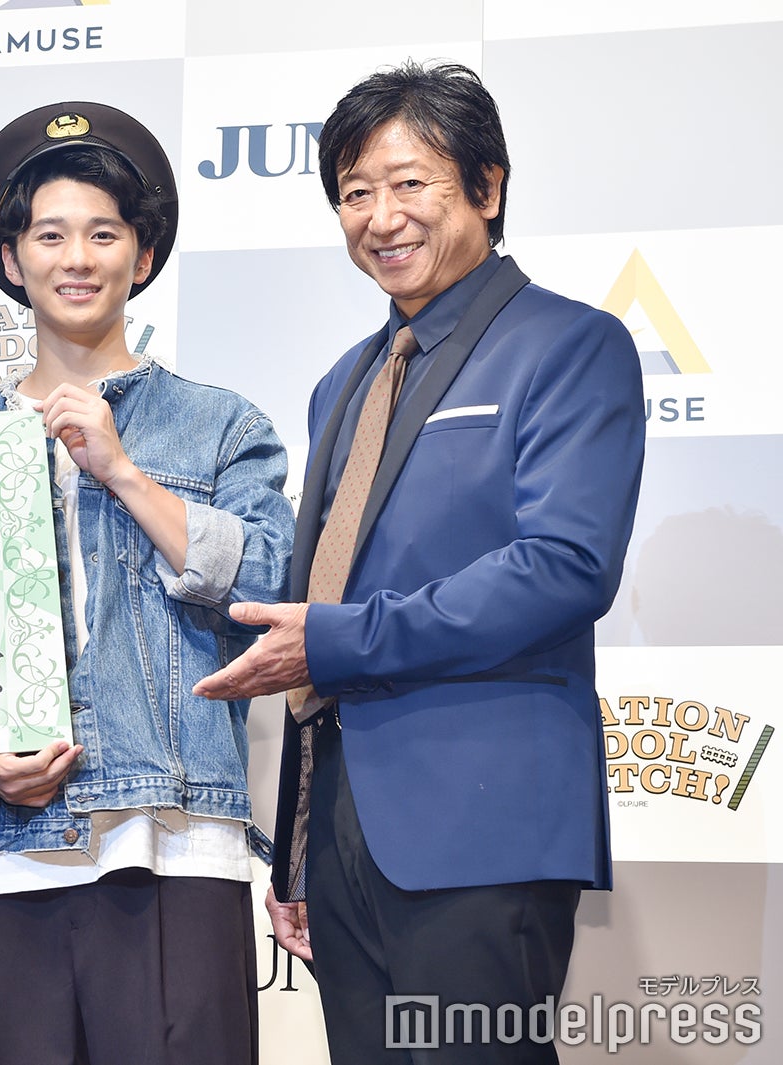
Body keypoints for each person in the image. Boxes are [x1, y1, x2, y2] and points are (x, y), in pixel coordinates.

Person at [195, 61, 646, 1062]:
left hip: (481, 825)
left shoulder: (570, 344)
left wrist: (337, 641)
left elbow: (566, 564)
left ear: (485, 187)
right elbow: (322, 590)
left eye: (410, 183)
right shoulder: (342, 381)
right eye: (355, 192)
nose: (381, 217)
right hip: (340, 832)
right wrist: (298, 850)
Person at [0, 101, 295, 1065]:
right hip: (0, 845)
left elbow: (268, 584)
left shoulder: (220, 425)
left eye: (104, 233)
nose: (77, 258)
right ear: (12, 259)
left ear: (143, 255)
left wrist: (124, 471)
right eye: (50, 235)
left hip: (174, 835)